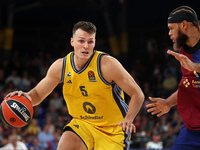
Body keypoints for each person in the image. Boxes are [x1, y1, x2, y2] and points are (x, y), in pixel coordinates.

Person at [6, 21, 144, 150]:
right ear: (72, 42)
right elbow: (37, 94)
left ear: (95, 43)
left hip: (113, 129)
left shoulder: (107, 65)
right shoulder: (61, 66)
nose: (86, 46)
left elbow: (137, 93)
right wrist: (27, 96)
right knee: (66, 143)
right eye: (81, 41)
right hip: (83, 124)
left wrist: (129, 119)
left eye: (90, 42)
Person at [146, 6, 200, 149]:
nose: (169, 33)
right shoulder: (183, 50)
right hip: (191, 130)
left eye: (171, 28)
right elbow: (188, 84)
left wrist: (195, 67)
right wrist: (168, 103)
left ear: (184, 25)